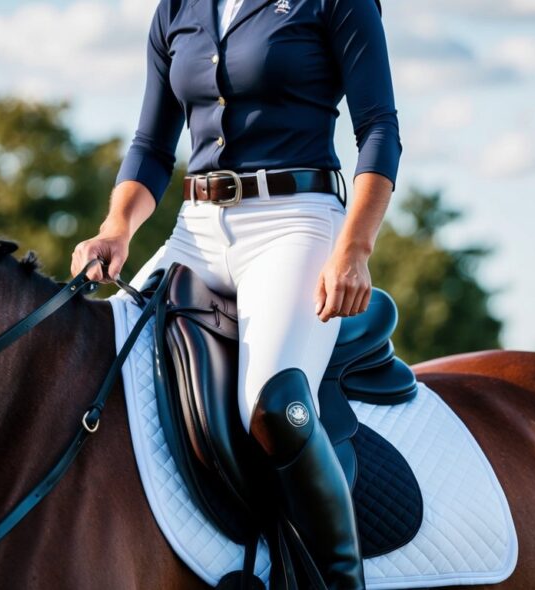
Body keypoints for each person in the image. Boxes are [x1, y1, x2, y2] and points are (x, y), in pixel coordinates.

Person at [70, 0, 401, 586]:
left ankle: (337, 579)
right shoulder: (176, 9)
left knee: (272, 405)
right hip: (195, 230)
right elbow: (151, 144)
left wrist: (355, 247)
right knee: (92, 356)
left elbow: (379, 130)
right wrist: (116, 228)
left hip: (294, 222)